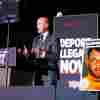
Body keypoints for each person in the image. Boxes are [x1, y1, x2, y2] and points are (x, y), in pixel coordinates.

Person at [32, 16, 59, 87]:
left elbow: (56, 56)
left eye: (39, 24)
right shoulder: (36, 39)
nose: (37, 26)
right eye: (37, 24)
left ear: (46, 25)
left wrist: (44, 54)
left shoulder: (53, 37)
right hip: (37, 74)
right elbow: (34, 55)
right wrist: (28, 54)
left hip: (49, 74)